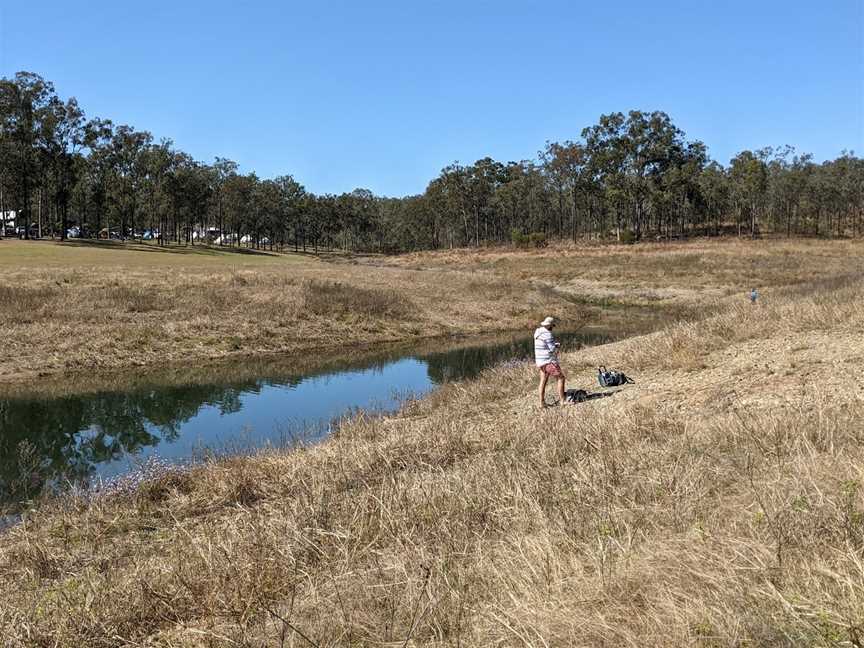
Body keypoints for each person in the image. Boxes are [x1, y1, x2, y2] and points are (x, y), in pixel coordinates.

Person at [534, 316, 570, 408]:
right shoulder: (548, 334)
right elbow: (552, 349)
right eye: (552, 326)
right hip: (548, 361)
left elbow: (545, 344)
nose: (552, 328)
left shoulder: (537, 332)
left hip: (540, 361)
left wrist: (554, 344)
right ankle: (562, 401)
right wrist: (557, 346)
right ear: (549, 325)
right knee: (561, 378)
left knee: (543, 380)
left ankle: (541, 403)